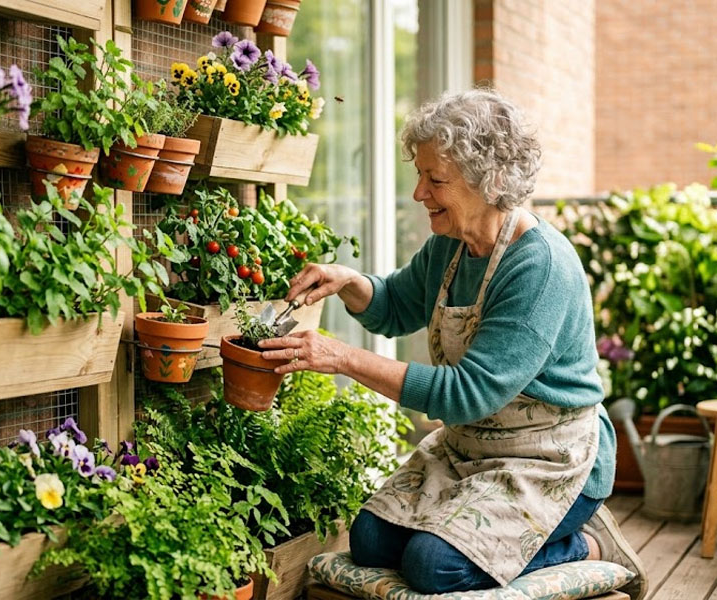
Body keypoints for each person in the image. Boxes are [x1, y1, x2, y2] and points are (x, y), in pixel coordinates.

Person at [258, 89, 648, 599]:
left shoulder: (540, 267)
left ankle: (587, 545)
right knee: (371, 541)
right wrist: (348, 280)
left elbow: (466, 394)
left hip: (550, 460)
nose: (419, 193)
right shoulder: (452, 244)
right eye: (420, 175)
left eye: (435, 179)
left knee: (432, 566)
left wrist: (342, 358)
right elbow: (397, 304)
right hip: (469, 449)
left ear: (492, 182)